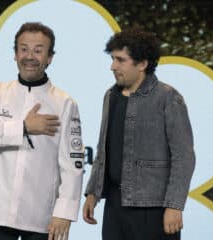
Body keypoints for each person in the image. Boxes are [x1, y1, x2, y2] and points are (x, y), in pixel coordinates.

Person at [0, 22, 84, 240]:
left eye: (38, 50)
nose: (29, 56)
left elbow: (73, 164)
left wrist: (64, 213)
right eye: (23, 49)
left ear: (50, 57)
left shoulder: (65, 103)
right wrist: (24, 127)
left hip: (42, 217)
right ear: (15, 54)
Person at [83, 27, 195, 240]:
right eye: (113, 59)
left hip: (154, 208)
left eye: (120, 60)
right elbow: (103, 150)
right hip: (115, 207)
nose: (112, 66)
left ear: (142, 64)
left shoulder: (168, 98)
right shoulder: (110, 95)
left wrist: (174, 205)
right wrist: (92, 193)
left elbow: (184, 157)